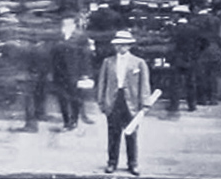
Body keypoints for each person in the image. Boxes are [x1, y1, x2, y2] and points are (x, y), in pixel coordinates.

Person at [96, 29, 152, 177]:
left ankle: (132, 164)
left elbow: (144, 85)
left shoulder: (139, 63)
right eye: (118, 45)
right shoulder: (108, 62)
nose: (121, 47)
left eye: (124, 45)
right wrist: (101, 102)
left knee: (131, 134)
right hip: (113, 100)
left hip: (131, 102)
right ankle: (112, 162)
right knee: (113, 134)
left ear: (129, 46)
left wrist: (145, 104)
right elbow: (102, 82)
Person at [51, 14, 93, 131]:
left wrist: (85, 73)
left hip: (75, 72)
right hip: (59, 71)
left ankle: (74, 120)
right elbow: (52, 53)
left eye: (68, 23)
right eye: (64, 23)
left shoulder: (80, 37)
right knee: (62, 97)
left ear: (74, 24)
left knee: (74, 97)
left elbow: (86, 56)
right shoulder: (58, 36)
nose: (66, 25)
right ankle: (66, 121)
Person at [167, 6, 199, 113]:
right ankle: (192, 105)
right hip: (190, 59)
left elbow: (170, 44)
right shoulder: (194, 28)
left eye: (174, 14)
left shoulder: (174, 29)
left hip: (177, 59)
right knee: (191, 82)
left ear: (178, 15)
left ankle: (174, 105)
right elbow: (202, 43)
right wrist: (195, 54)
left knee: (175, 83)